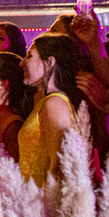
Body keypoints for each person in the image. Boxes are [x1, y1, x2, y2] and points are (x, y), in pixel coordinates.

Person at [15, 32, 84, 186]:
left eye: (29, 56)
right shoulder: (46, 102)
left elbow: (59, 162)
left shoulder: (54, 103)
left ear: (49, 62)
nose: (22, 63)